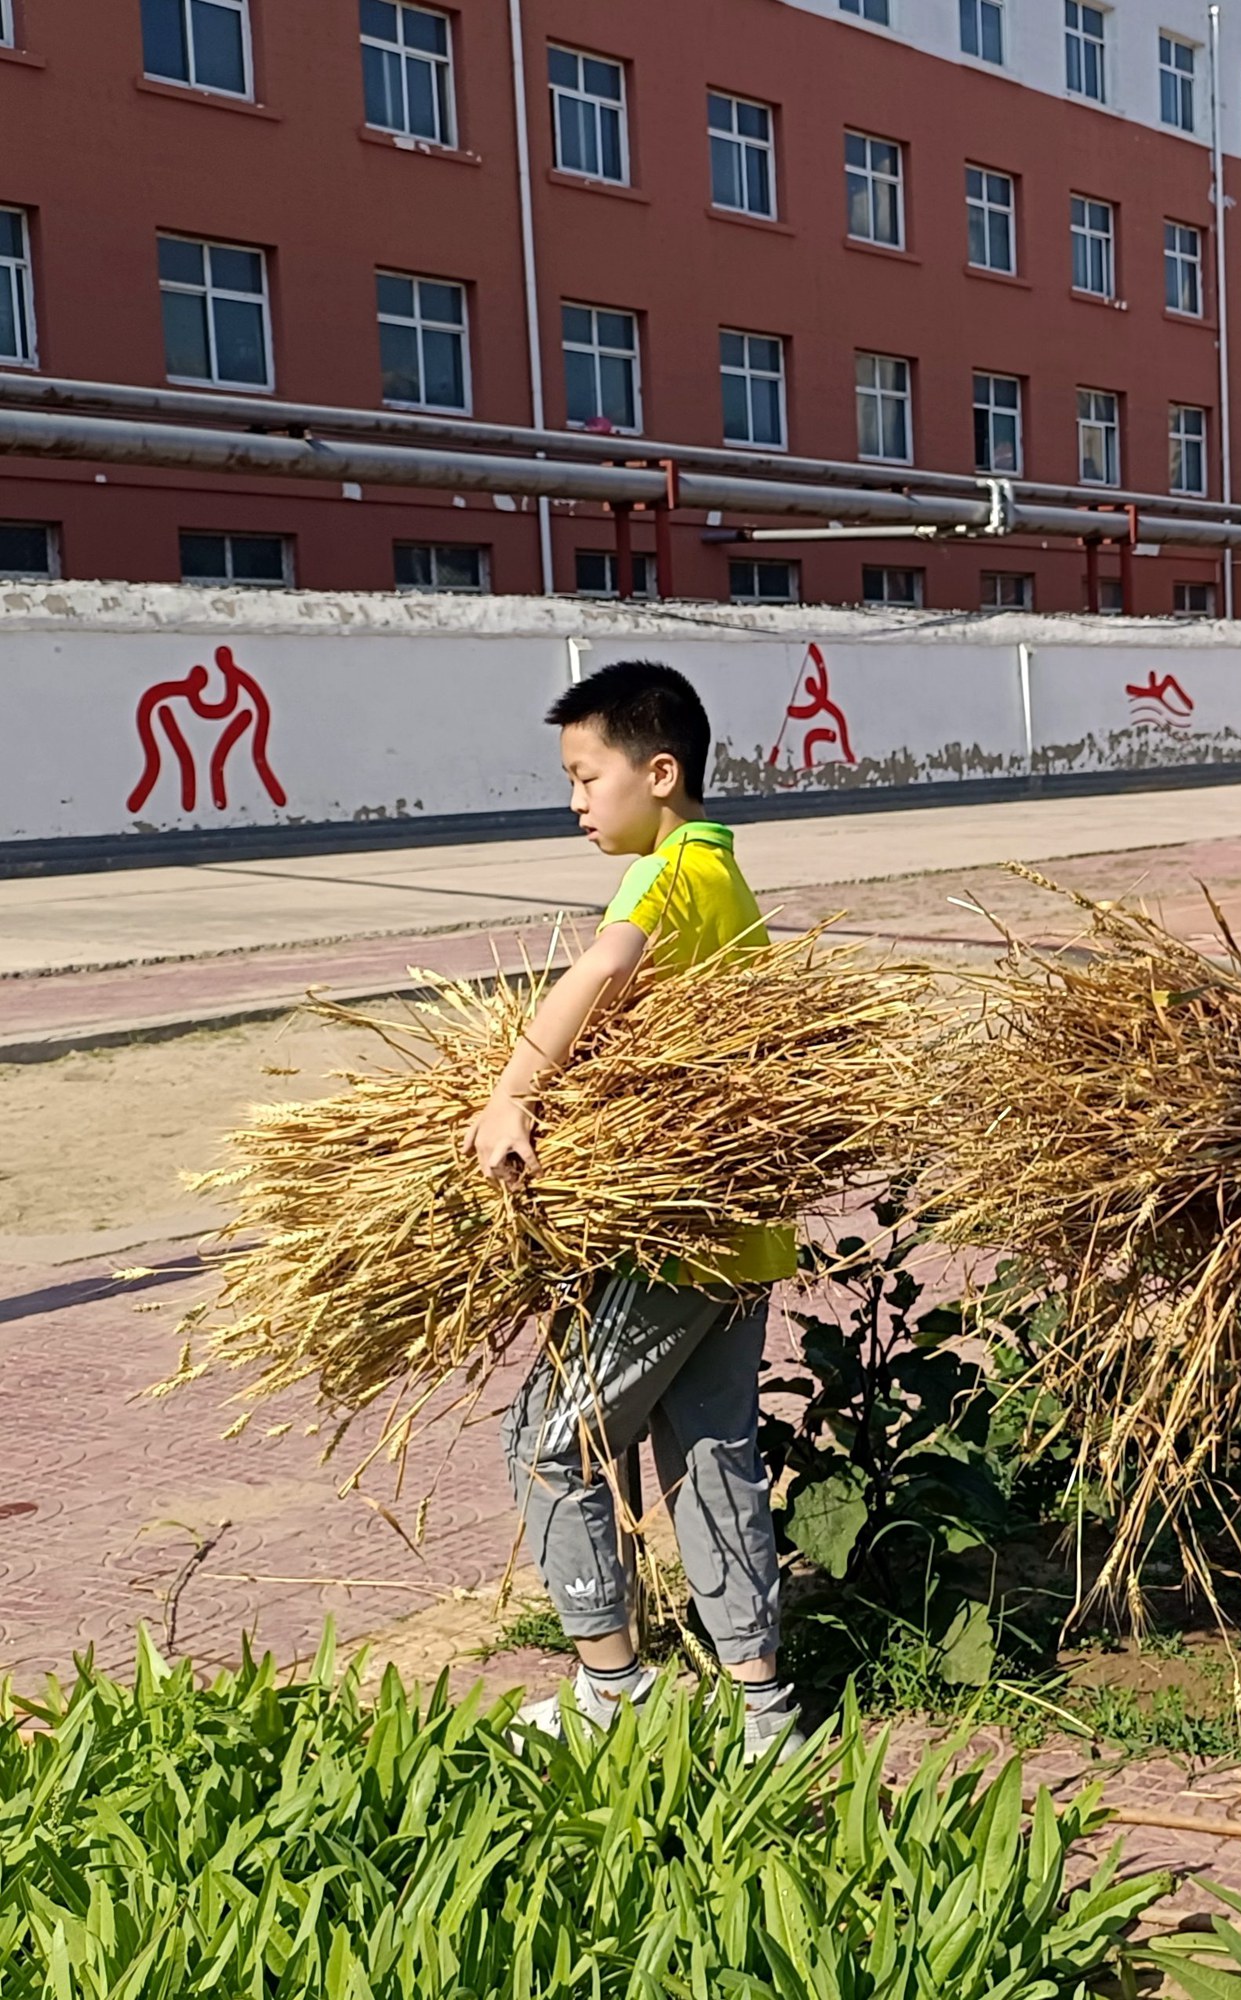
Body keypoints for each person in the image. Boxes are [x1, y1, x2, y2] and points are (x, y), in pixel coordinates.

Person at [466, 659, 802, 1760]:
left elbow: (603, 966)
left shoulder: (671, 874)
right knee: (710, 1455)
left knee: (546, 1440)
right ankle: (765, 1713)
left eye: (585, 773)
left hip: (680, 1242)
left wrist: (510, 1092)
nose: (573, 798)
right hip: (737, 1230)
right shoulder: (721, 873)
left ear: (660, 772)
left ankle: (612, 1685)